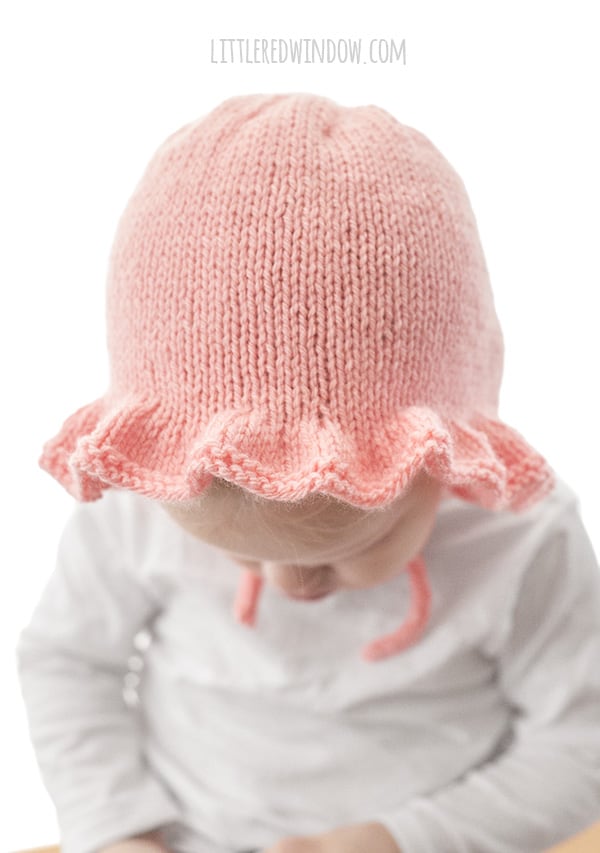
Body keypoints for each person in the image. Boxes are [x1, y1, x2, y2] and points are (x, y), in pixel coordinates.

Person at [15, 92, 600, 853]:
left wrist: (398, 839)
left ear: (438, 456)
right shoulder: (138, 502)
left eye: (342, 550)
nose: (292, 587)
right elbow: (68, 660)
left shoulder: (519, 536)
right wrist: (115, 827)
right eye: (238, 553)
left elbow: (581, 742)